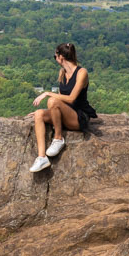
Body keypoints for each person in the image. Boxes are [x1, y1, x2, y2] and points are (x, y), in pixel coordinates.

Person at [29, 42, 96, 173]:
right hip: (66, 113)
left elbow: (71, 98)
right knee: (39, 114)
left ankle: (58, 138)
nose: (55, 59)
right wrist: (45, 112)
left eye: (55, 56)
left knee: (52, 100)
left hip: (78, 116)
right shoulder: (62, 73)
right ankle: (42, 157)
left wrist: (48, 93)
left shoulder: (81, 73)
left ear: (61, 57)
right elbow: (61, 99)